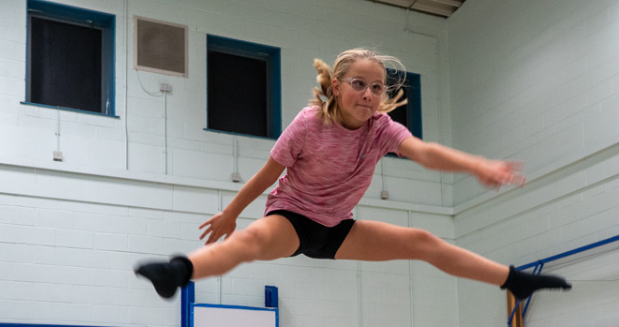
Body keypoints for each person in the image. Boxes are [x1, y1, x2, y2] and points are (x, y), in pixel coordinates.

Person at [135, 48, 570, 300]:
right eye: (359, 83)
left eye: (377, 87)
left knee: (423, 242)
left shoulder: (382, 129)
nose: (368, 93)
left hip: (338, 228)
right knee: (249, 241)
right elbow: (270, 173)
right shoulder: (310, 123)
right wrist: (231, 213)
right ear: (337, 86)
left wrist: (476, 164)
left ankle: (513, 281)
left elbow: (424, 152)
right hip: (293, 218)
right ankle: (178, 271)